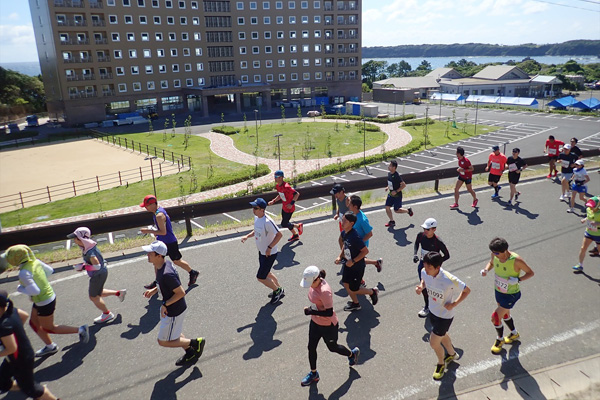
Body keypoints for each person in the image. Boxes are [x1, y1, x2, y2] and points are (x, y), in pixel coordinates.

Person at [5, 245, 89, 357]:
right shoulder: (35, 262)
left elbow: (34, 291)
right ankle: (50, 346)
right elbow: (50, 271)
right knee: (33, 323)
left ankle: (81, 330)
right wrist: (39, 280)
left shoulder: (23, 273)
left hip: (44, 302)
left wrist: (21, 288)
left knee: (49, 328)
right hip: (47, 297)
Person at [142, 241, 205, 366]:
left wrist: (165, 304)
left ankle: (194, 343)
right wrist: (154, 290)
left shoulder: (167, 274)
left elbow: (181, 292)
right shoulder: (163, 265)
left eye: (150, 253)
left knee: (163, 341)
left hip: (174, 310)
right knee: (174, 332)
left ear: (159, 255)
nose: (147, 254)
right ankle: (190, 352)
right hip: (174, 308)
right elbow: (165, 285)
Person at [299, 266, 360, 387]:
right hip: (315, 322)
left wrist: (311, 312)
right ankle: (314, 374)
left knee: (332, 347)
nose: (309, 286)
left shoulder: (324, 291)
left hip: (328, 325)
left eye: (310, 283)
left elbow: (329, 312)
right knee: (311, 347)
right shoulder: (314, 284)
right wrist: (313, 313)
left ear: (317, 279)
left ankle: (352, 355)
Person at [415, 252, 470, 381]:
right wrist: (421, 286)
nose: (426, 269)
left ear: (437, 267)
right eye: (425, 266)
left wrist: (454, 304)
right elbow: (424, 279)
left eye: (429, 267)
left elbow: (467, 290)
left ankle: (441, 363)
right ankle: (451, 354)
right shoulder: (425, 271)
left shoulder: (448, 279)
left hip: (445, 316)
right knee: (442, 334)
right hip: (433, 312)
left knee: (434, 343)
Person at [0, 290, 60, 400]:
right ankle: (28, 388)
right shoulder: (11, 311)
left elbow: (12, 348)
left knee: (33, 390)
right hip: (16, 357)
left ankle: (39, 392)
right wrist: (16, 330)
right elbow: (25, 315)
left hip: (21, 359)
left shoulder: (4, 325)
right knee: (3, 381)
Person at [481, 237, 534, 355]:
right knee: (505, 314)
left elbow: (530, 273)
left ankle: (500, 339)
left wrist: (518, 279)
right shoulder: (494, 255)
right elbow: (491, 263)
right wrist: (486, 270)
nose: (494, 255)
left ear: (505, 251)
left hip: (511, 294)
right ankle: (514, 333)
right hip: (499, 290)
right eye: (493, 252)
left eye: (496, 253)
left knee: (495, 317)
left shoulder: (516, 260)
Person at [68, 227, 126, 324]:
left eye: (75, 238)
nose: (74, 240)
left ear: (81, 239)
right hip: (101, 273)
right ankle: (118, 293)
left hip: (98, 275)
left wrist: (82, 267)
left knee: (93, 296)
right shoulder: (88, 247)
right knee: (98, 292)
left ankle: (107, 314)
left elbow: (97, 266)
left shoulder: (90, 252)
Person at [140, 195, 200, 289]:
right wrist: (156, 232)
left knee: (176, 261)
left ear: (153, 204)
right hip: (161, 242)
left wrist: (148, 231)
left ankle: (192, 272)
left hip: (169, 242)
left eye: (146, 205)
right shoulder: (158, 211)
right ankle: (157, 282)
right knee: (157, 262)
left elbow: (163, 232)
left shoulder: (159, 215)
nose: (145, 208)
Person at [241, 198, 285, 303]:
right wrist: (247, 236)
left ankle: (277, 290)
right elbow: (256, 231)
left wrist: (270, 247)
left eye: (256, 208)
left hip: (269, 254)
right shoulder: (257, 218)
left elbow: (279, 235)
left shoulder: (268, 222)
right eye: (253, 207)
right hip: (262, 252)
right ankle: (279, 289)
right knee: (267, 273)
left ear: (262, 210)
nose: (253, 210)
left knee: (261, 277)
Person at [335, 212, 379, 311]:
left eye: (345, 221)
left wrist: (353, 261)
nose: (342, 222)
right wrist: (340, 256)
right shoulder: (344, 233)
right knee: (346, 284)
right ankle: (356, 304)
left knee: (354, 289)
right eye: (342, 220)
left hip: (357, 266)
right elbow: (344, 246)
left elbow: (365, 251)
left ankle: (372, 292)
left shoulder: (355, 237)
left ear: (351, 223)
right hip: (347, 264)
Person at [413, 218, 450, 318]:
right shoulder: (420, 236)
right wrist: (415, 254)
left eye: (428, 229)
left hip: (434, 270)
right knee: (424, 287)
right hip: (422, 265)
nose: (425, 231)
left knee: (435, 287)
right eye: (424, 228)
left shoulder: (438, 241)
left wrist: (436, 264)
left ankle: (438, 306)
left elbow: (447, 255)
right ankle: (427, 306)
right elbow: (416, 243)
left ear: (434, 229)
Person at [346, 195, 383, 272]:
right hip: (354, 242)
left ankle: (360, 281)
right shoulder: (353, 214)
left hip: (360, 244)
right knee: (358, 260)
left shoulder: (362, 220)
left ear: (355, 207)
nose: (348, 205)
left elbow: (370, 234)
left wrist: (360, 243)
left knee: (356, 261)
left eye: (350, 204)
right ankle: (376, 262)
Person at [268, 170, 303, 242]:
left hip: (289, 209)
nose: (275, 178)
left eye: (276, 177)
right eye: (274, 176)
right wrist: (273, 201)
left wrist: (291, 203)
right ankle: (295, 235)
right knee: (286, 223)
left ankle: (298, 226)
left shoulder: (286, 186)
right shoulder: (278, 186)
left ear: (281, 177)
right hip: (284, 207)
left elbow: (297, 194)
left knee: (284, 224)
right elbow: (280, 195)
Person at [572, 197, 600, 271]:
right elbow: (589, 216)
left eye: (591, 206)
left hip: (599, 235)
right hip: (589, 232)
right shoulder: (588, 210)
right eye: (589, 206)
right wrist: (585, 219)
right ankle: (580, 265)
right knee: (583, 248)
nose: (590, 208)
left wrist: (597, 223)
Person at [384, 160, 413, 226]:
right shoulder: (389, 174)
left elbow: (404, 185)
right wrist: (387, 187)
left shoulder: (397, 176)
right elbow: (390, 183)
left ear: (394, 167)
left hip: (397, 196)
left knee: (396, 210)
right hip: (391, 194)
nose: (389, 167)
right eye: (389, 165)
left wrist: (396, 191)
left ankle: (408, 211)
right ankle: (392, 221)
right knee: (387, 207)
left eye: (390, 166)